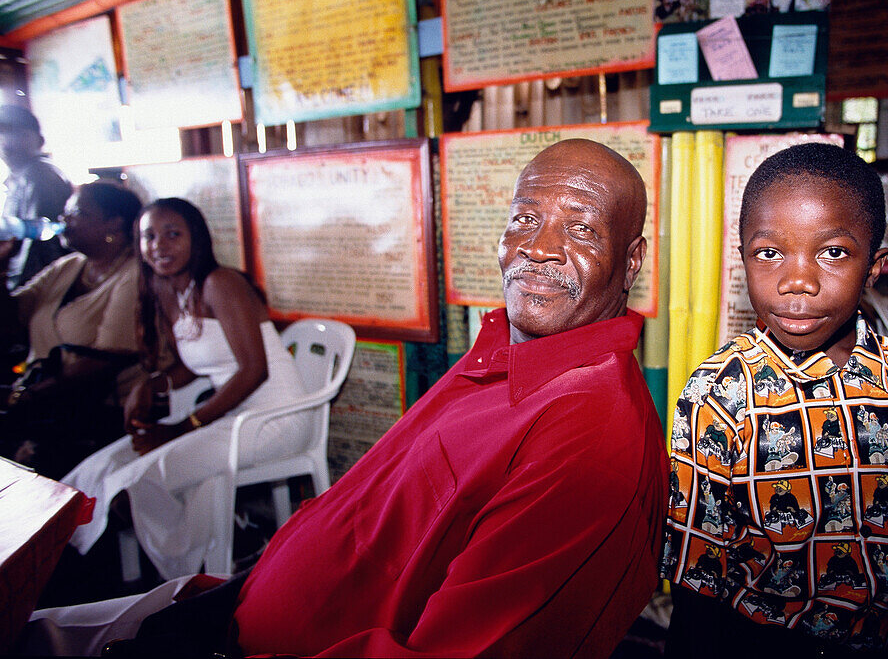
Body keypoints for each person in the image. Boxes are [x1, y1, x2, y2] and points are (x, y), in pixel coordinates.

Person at [21, 139, 668, 659]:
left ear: (631, 259)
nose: (539, 246)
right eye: (525, 218)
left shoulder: (591, 430)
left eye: (581, 230)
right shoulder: (502, 351)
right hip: (240, 607)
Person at [662, 143, 888, 657]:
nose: (798, 282)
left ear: (873, 266)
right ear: (742, 260)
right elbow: (697, 588)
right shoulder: (719, 394)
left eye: (832, 252)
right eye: (769, 253)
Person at [61, 197, 308, 581]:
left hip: (273, 420)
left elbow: (254, 370)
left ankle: (219, 555)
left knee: (139, 482)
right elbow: (193, 367)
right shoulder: (167, 288)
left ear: (197, 239)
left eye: (173, 234)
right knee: (98, 470)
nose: (160, 245)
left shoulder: (220, 283)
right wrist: (152, 384)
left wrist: (185, 426)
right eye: (149, 236)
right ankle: (232, 539)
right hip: (230, 416)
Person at [0, 179, 142, 479]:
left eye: (76, 213)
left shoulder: (133, 275)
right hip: (40, 402)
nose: (64, 221)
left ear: (113, 224)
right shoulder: (67, 267)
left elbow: (103, 361)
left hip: (93, 411)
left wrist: (26, 397)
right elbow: (11, 320)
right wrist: (2, 267)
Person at [0, 104, 72, 290]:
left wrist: (18, 291)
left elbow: (38, 244)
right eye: (2, 133)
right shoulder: (17, 178)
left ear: (39, 141)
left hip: (41, 286)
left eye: (18, 134)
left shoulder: (38, 176)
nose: (7, 142)